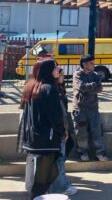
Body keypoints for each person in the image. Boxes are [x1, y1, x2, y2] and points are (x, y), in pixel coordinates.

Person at [20, 59, 66, 199]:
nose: (58, 69)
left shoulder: (31, 86)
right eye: (55, 67)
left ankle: (37, 194)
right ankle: (36, 196)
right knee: (46, 173)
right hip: (48, 137)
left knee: (44, 170)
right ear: (48, 70)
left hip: (33, 135)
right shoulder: (48, 88)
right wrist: (62, 131)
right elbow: (56, 115)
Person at [47, 67, 78, 196]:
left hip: (63, 125)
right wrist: (63, 129)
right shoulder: (53, 91)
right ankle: (60, 185)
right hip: (59, 129)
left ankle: (60, 182)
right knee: (59, 158)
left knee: (64, 153)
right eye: (60, 74)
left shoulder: (60, 89)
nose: (62, 77)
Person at [72, 54, 108, 162]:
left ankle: (100, 153)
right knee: (81, 132)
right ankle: (82, 152)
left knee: (96, 130)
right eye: (91, 63)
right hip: (80, 108)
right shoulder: (77, 74)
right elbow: (81, 87)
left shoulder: (95, 74)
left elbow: (100, 88)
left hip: (93, 107)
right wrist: (93, 86)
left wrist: (88, 89)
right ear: (84, 64)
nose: (94, 65)